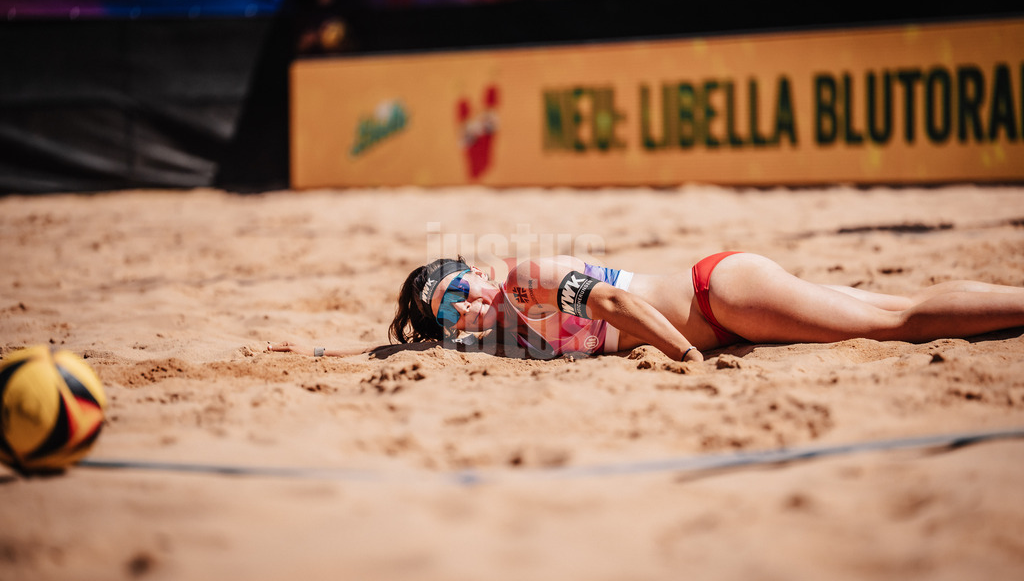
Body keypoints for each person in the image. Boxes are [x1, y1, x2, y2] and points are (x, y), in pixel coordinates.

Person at [270, 252, 1024, 362]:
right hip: (722, 306)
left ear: (480, 271)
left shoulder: (527, 280)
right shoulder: (491, 335)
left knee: (896, 322)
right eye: (446, 312)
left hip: (717, 293)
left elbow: (615, 301)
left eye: (459, 289)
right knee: (902, 306)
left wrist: (684, 352)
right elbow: (410, 352)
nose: (460, 311)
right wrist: (317, 356)